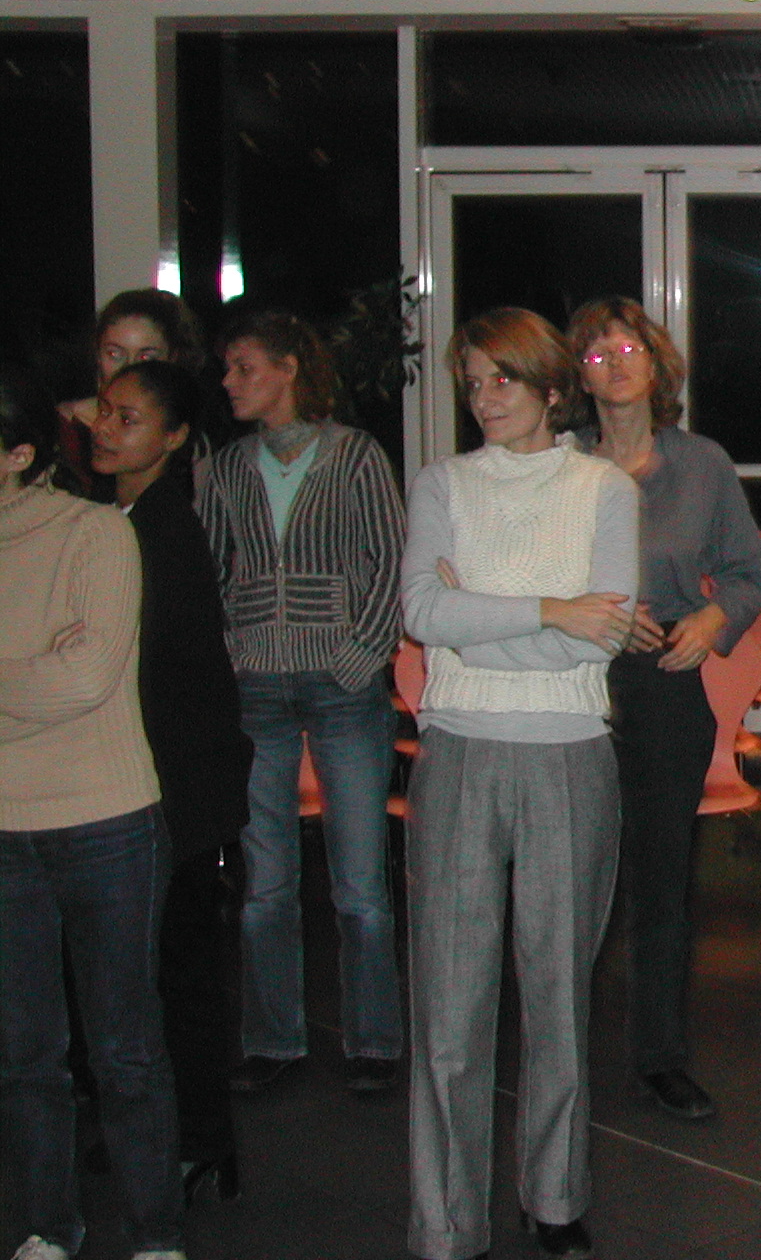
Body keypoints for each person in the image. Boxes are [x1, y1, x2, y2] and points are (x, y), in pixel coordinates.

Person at [400, 307, 639, 1260]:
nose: (484, 397)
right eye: (472, 381)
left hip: (570, 751)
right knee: (448, 1011)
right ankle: (446, 1221)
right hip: (459, 747)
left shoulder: (604, 488)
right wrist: (550, 610)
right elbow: (423, 613)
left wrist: (479, 617)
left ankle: (556, 1196)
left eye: (502, 378)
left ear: (550, 386)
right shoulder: (442, 484)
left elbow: (605, 635)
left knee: (559, 999)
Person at [0, 362, 187, 1260]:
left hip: (108, 822)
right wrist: (33, 670)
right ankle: (49, 1226)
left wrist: (46, 673)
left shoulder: (96, 533)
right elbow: (56, 676)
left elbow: (85, 678)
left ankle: (156, 1234)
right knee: (24, 1055)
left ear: (19, 454)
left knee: (125, 1050)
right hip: (4, 830)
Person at [196, 309, 406, 1096]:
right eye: (229, 368)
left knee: (360, 885)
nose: (229, 382)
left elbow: (392, 561)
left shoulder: (355, 456)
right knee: (265, 886)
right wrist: (231, 651)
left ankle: (373, 1043)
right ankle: (273, 1041)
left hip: (344, 689)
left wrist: (361, 656)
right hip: (256, 690)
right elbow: (210, 571)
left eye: (244, 367)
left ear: (288, 369)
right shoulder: (226, 467)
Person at [568, 296, 761, 1125]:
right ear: (578, 378)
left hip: (663, 681)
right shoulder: (558, 463)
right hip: (572, 683)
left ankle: (659, 1057)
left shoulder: (703, 464)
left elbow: (749, 574)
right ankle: (563, 1054)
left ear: (657, 365)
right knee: (570, 881)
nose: (614, 364)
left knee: (660, 883)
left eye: (628, 349)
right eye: (596, 354)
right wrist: (587, 614)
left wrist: (712, 621)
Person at [90, 361, 253, 1206]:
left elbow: (161, 673)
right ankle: (174, 1134)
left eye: (129, 419)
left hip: (175, 787)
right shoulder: (117, 518)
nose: (106, 429)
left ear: (176, 437)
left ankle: (199, 1137)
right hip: (150, 780)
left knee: (180, 972)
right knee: (147, 972)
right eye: (104, 411)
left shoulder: (165, 531)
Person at [56, 290, 209, 484]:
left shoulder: (187, 439)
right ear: (97, 354)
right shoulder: (63, 427)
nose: (129, 368)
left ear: (173, 358)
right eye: (114, 354)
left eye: (146, 357)